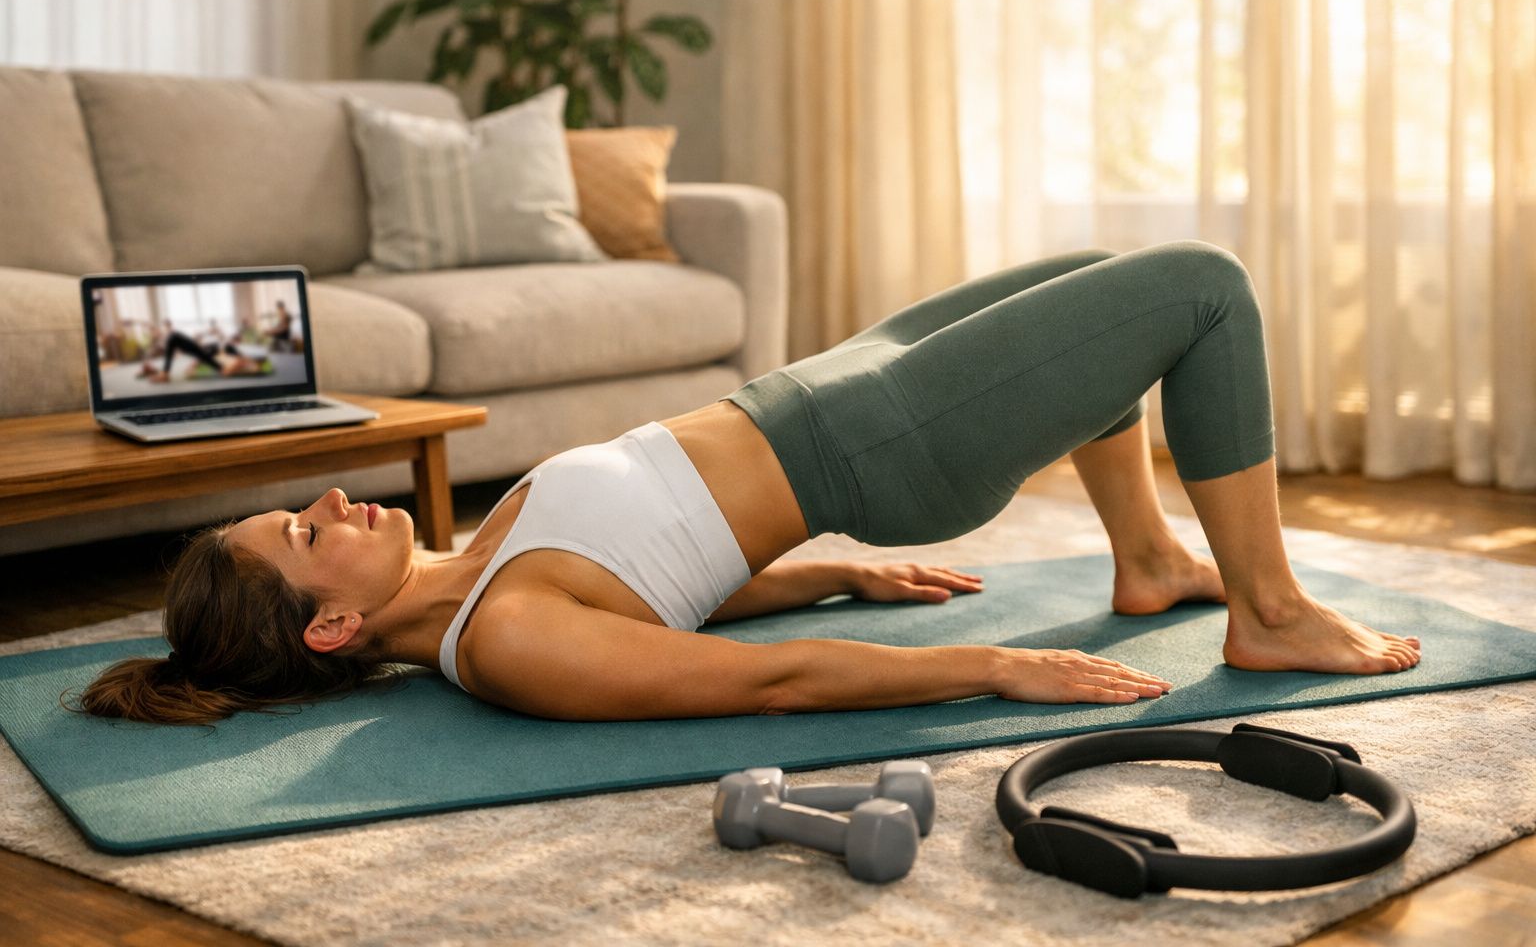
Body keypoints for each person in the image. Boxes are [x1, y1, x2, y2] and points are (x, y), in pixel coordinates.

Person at [68, 241, 1420, 728]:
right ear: (331, 628)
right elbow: (761, 686)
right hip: (876, 443)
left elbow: (671, 582)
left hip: (832, 381)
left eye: (306, 503)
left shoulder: (476, 564)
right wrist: (993, 668)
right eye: (310, 535)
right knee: (1200, 288)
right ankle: (1271, 607)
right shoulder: (511, 639)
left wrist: (826, 573)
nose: (339, 503)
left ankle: (1151, 557)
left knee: (1094, 275)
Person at [137, 325, 267, 383]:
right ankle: (161, 372)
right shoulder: (233, 353)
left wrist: (243, 361)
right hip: (207, 353)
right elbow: (215, 352)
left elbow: (227, 371)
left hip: (215, 362)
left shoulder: (238, 360)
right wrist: (195, 364)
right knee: (173, 337)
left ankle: (163, 373)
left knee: (173, 337)